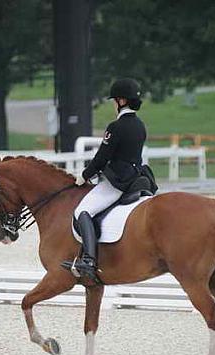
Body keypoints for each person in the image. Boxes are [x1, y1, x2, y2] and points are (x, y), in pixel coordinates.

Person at [61, 78, 148, 283]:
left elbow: (101, 158)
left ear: (121, 101)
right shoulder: (140, 125)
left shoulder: (116, 126)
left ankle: (89, 261)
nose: (113, 104)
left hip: (118, 181)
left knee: (83, 211)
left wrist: (83, 176)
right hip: (138, 178)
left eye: (114, 101)